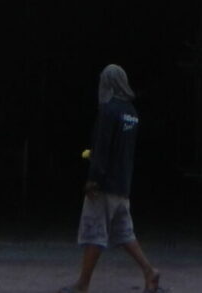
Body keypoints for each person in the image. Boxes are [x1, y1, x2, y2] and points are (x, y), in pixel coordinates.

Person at [64, 63, 163, 293]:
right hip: (123, 184)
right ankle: (149, 271)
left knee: (94, 234)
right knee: (124, 234)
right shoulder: (132, 113)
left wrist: (93, 180)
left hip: (105, 186)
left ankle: (82, 284)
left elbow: (102, 149)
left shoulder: (108, 111)